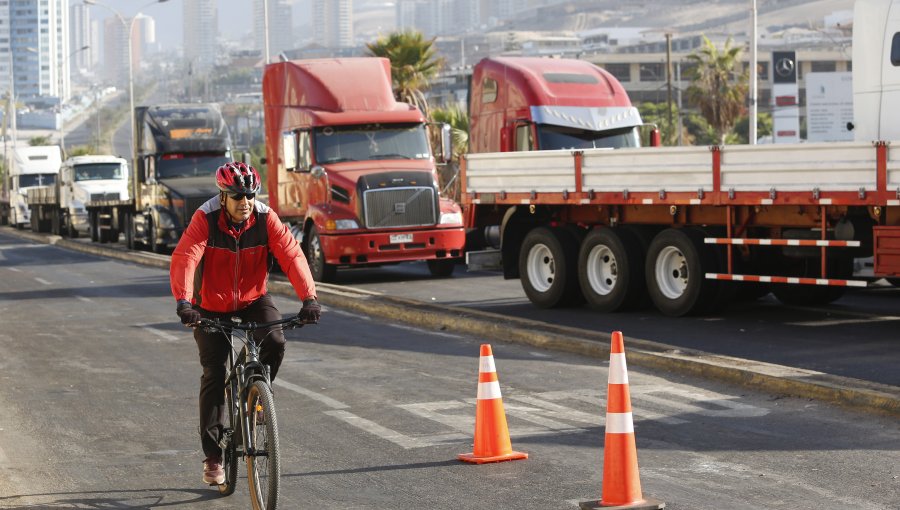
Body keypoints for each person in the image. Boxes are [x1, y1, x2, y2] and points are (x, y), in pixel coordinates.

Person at [169, 161, 321, 485]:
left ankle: (257, 398)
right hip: (208, 305)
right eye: (238, 196)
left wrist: (309, 298)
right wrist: (184, 302)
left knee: (276, 340)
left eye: (250, 195)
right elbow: (186, 257)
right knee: (214, 372)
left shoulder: (266, 219)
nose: (245, 202)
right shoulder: (205, 219)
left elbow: (292, 254)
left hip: (253, 298)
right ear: (223, 196)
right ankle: (212, 457)